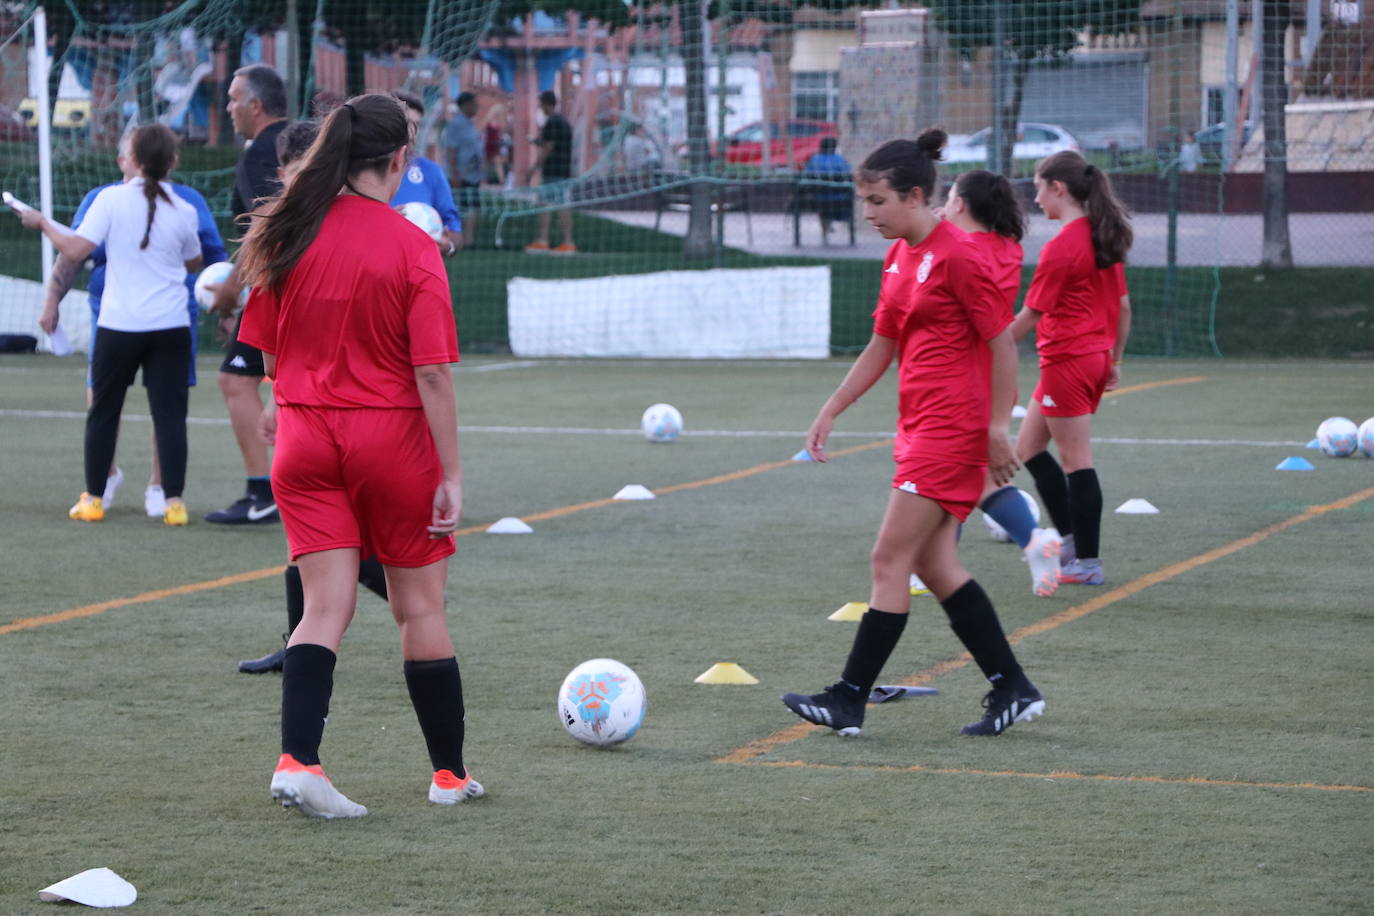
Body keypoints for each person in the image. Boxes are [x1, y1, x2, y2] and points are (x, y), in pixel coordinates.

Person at [236, 92, 479, 818]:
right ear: (400, 160)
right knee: (418, 609)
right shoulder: (412, 246)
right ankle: (448, 777)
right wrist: (453, 475)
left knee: (322, 608)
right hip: (388, 440)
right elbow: (432, 373)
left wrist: (289, 399)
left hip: (304, 439)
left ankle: (298, 761)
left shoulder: (290, 230)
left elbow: (270, 353)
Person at [782, 130, 1043, 740]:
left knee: (888, 558)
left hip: (951, 431)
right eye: (865, 201)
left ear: (915, 195)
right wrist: (832, 408)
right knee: (934, 562)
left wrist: (996, 428)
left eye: (877, 201)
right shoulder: (900, 255)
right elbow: (883, 344)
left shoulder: (959, 256)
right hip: (918, 426)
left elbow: (1000, 342)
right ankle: (1012, 686)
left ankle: (848, 697)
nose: (868, 213)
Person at [234, 119, 394, 676]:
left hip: (347, 415)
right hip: (315, 411)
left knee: (333, 542)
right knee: (307, 545)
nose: (297, 180)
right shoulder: (291, 231)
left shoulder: (325, 232)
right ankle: (299, 642)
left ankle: (388, 587)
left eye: (304, 169)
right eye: (290, 171)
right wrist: (280, 401)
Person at [22, 124, 203, 525]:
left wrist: (41, 223)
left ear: (132, 160)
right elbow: (194, 262)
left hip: (119, 325)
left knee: (103, 411)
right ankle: (174, 503)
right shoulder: (185, 208)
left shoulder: (110, 200)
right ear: (172, 161)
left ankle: (94, 499)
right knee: (170, 415)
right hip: (170, 325)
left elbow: (74, 249)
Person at [1011, 151, 1133, 587]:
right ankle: (1069, 541)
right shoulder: (1102, 236)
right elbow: (1122, 307)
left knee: (1077, 460)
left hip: (1069, 360)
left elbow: (1029, 316)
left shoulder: (1064, 246)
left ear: (1058, 189)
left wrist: (983, 349)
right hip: (1088, 358)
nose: (1036, 198)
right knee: (1027, 449)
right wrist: (1114, 359)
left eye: (1038, 188)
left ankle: (1087, 562)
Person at [941, 169, 1063, 597]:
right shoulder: (1006, 247)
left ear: (960, 203)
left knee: (943, 478)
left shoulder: (961, 250)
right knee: (974, 479)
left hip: (960, 377)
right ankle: (1032, 541)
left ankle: (936, 566)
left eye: (949, 197)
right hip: (992, 375)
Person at [206, 62, 289, 525]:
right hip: (307, 284)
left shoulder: (263, 151)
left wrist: (230, 290)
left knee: (235, 382)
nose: (229, 107)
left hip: (278, 287)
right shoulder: (302, 141)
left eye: (235, 99)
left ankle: (265, 493)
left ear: (256, 106)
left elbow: (267, 227)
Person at [391, 89, 463, 256]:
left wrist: (448, 246)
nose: (411, 133)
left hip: (420, 271)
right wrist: (383, 224)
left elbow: (455, 231)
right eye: (406, 124)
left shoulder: (430, 171)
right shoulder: (360, 171)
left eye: (417, 125)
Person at [525, 90, 575, 253]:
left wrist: (533, 168)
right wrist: (536, 141)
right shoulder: (564, 122)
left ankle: (551, 241)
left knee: (549, 205)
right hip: (563, 170)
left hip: (554, 171)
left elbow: (548, 147)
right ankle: (554, 241)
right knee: (554, 204)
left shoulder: (552, 122)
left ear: (546, 104)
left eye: (541, 104)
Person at [442, 91, 484, 250]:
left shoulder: (469, 123)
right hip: (461, 175)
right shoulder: (456, 124)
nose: (477, 107)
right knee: (464, 207)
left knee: (473, 208)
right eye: (474, 104)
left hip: (473, 175)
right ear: (465, 105)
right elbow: (451, 150)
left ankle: (470, 239)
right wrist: (455, 175)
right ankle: (462, 239)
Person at [802, 136, 852, 243]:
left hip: (818, 198)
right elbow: (848, 176)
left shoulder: (814, 159)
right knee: (832, 202)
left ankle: (824, 233)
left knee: (823, 207)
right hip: (840, 199)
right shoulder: (840, 160)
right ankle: (833, 226)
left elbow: (806, 176)